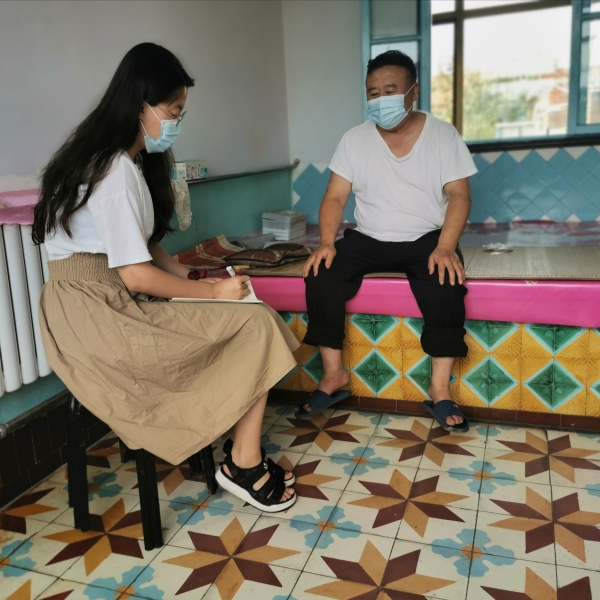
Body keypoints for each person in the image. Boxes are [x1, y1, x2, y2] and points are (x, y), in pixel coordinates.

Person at [33, 43, 297, 512]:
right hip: (97, 318)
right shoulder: (113, 170)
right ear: (141, 107)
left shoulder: (117, 160)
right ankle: (243, 463)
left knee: (247, 312)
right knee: (253, 323)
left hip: (100, 302)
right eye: (173, 111)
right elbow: (136, 275)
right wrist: (210, 293)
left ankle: (241, 449)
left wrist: (193, 275)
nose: (176, 122)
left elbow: (140, 246)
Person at [299, 50, 477, 432]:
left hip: (426, 238)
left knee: (446, 281)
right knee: (321, 273)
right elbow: (334, 198)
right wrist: (327, 242)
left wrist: (446, 246)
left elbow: (459, 195)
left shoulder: (443, 135)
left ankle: (439, 388)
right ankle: (333, 375)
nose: (381, 100)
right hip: (369, 237)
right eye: (373, 93)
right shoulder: (353, 140)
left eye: (390, 91)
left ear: (413, 92)